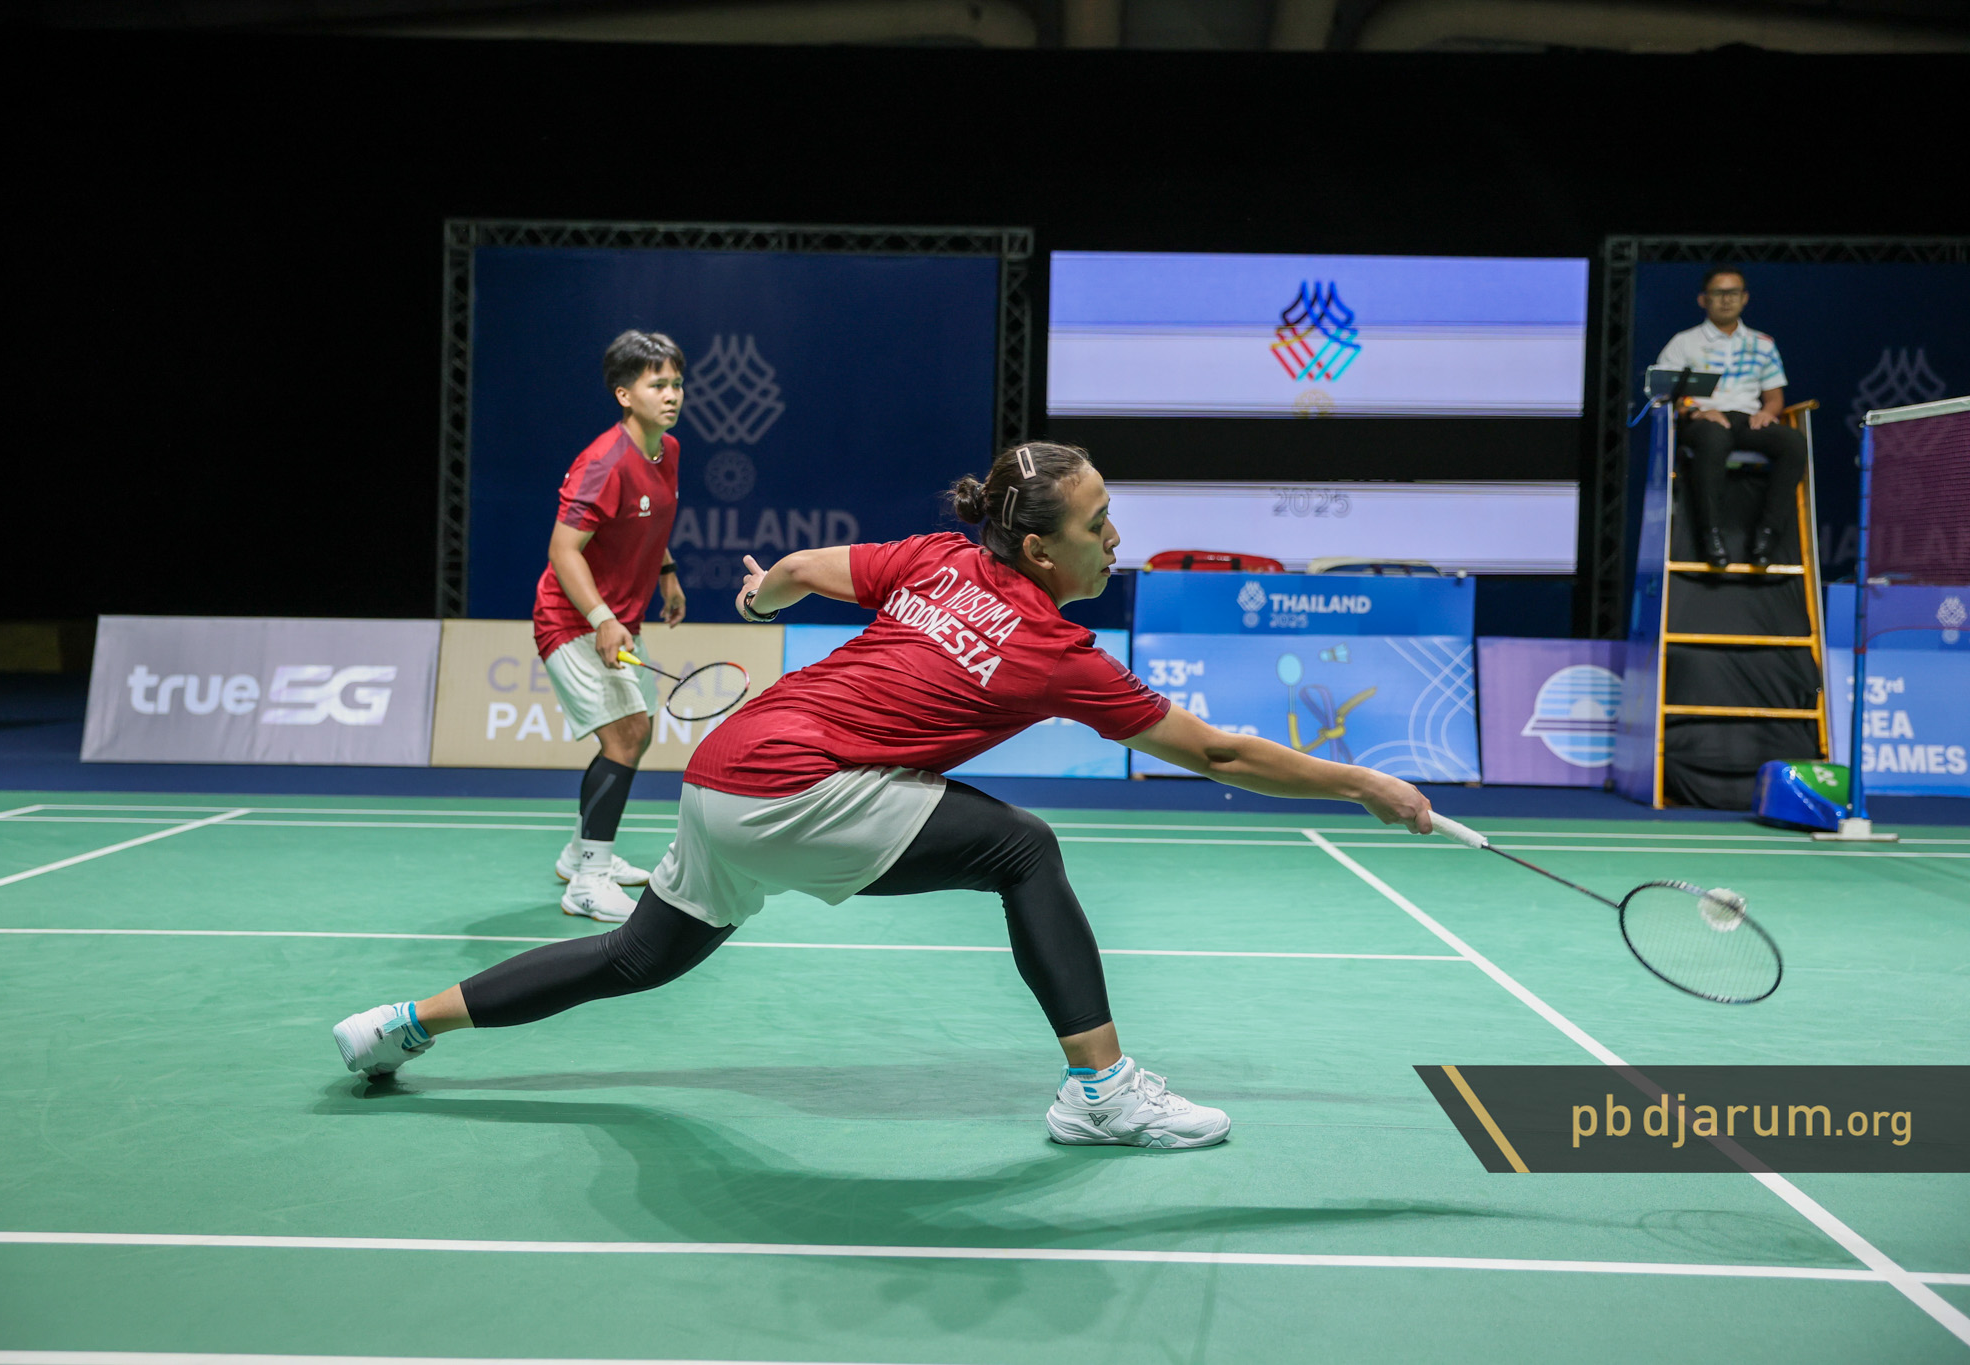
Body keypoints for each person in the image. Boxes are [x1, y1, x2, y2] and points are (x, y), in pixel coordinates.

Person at [334, 443, 1433, 1150]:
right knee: (1023, 850)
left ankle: (399, 1024)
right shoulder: (1054, 650)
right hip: (794, 785)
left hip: (723, 771)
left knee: (638, 956)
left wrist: (757, 599)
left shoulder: (938, 559)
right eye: (1098, 523)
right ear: (1041, 548)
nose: (1116, 538)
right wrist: (1363, 783)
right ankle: (1098, 1092)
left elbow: (804, 570)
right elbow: (1220, 755)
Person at [535, 330, 689, 922]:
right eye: (657, 385)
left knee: (636, 732)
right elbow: (563, 550)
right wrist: (601, 618)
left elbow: (649, 521)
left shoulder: (667, 450)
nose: (671, 395)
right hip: (573, 617)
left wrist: (667, 573)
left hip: (621, 615)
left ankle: (580, 852)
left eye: (676, 383)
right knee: (626, 735)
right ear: (625, 394)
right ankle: (588, 879)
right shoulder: (603, 463)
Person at [1653, 267, 1808, 569]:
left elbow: (1774, 397)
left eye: (1733, 293)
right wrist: (1696, 409)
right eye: (1718, 293)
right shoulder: (1683, 342)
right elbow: (1667, 392)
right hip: (1701, 420)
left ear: (1744, 298)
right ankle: (1711, 536)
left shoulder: (1762, 343)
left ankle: (1767, 535)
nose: (1726, 300)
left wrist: (1767, 413)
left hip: (1747, 419)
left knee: (1793, 442)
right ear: (1703, 299)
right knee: (1714, 437)